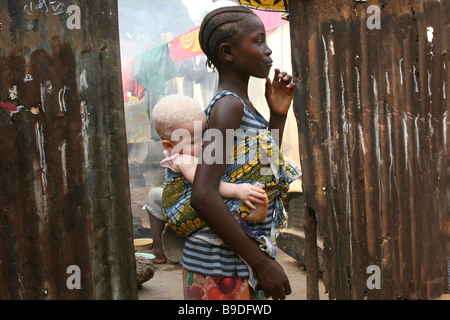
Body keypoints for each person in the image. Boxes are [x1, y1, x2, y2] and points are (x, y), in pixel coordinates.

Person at [184, 5, 299, 301]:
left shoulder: (241, 106)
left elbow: (263, 171)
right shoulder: (228, 106)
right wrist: (261, 263)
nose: (268, 50)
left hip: (238, 262)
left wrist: (278, 116)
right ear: (227, 52)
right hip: (220, 266)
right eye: (258, 41)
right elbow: (204, 192)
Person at [151, 93, 269, 236]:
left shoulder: (181, 150)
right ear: (169, 145)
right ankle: (248, 214)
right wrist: (238, 190)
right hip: (179, 215)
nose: (203, 142)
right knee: (214, 202)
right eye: (194, 141)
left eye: (204, 134)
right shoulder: (183, 159)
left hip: (180, 205)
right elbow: (207, 184)